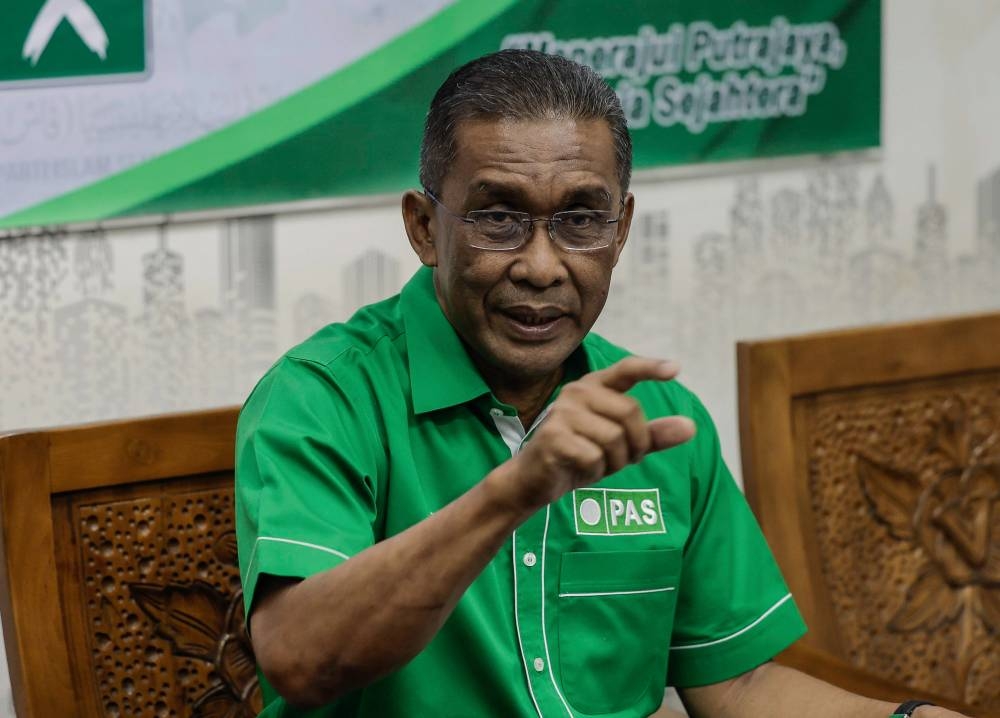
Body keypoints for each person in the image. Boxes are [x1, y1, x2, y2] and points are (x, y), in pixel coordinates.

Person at [235, 50, 967, 718]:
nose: (543, 266)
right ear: (425, 227)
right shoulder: (322, 398)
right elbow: (302, 658)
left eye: (581, 219)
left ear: (620, 230)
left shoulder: (657, 415)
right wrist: (515, 490)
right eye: (497, 218)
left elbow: (739, 686)